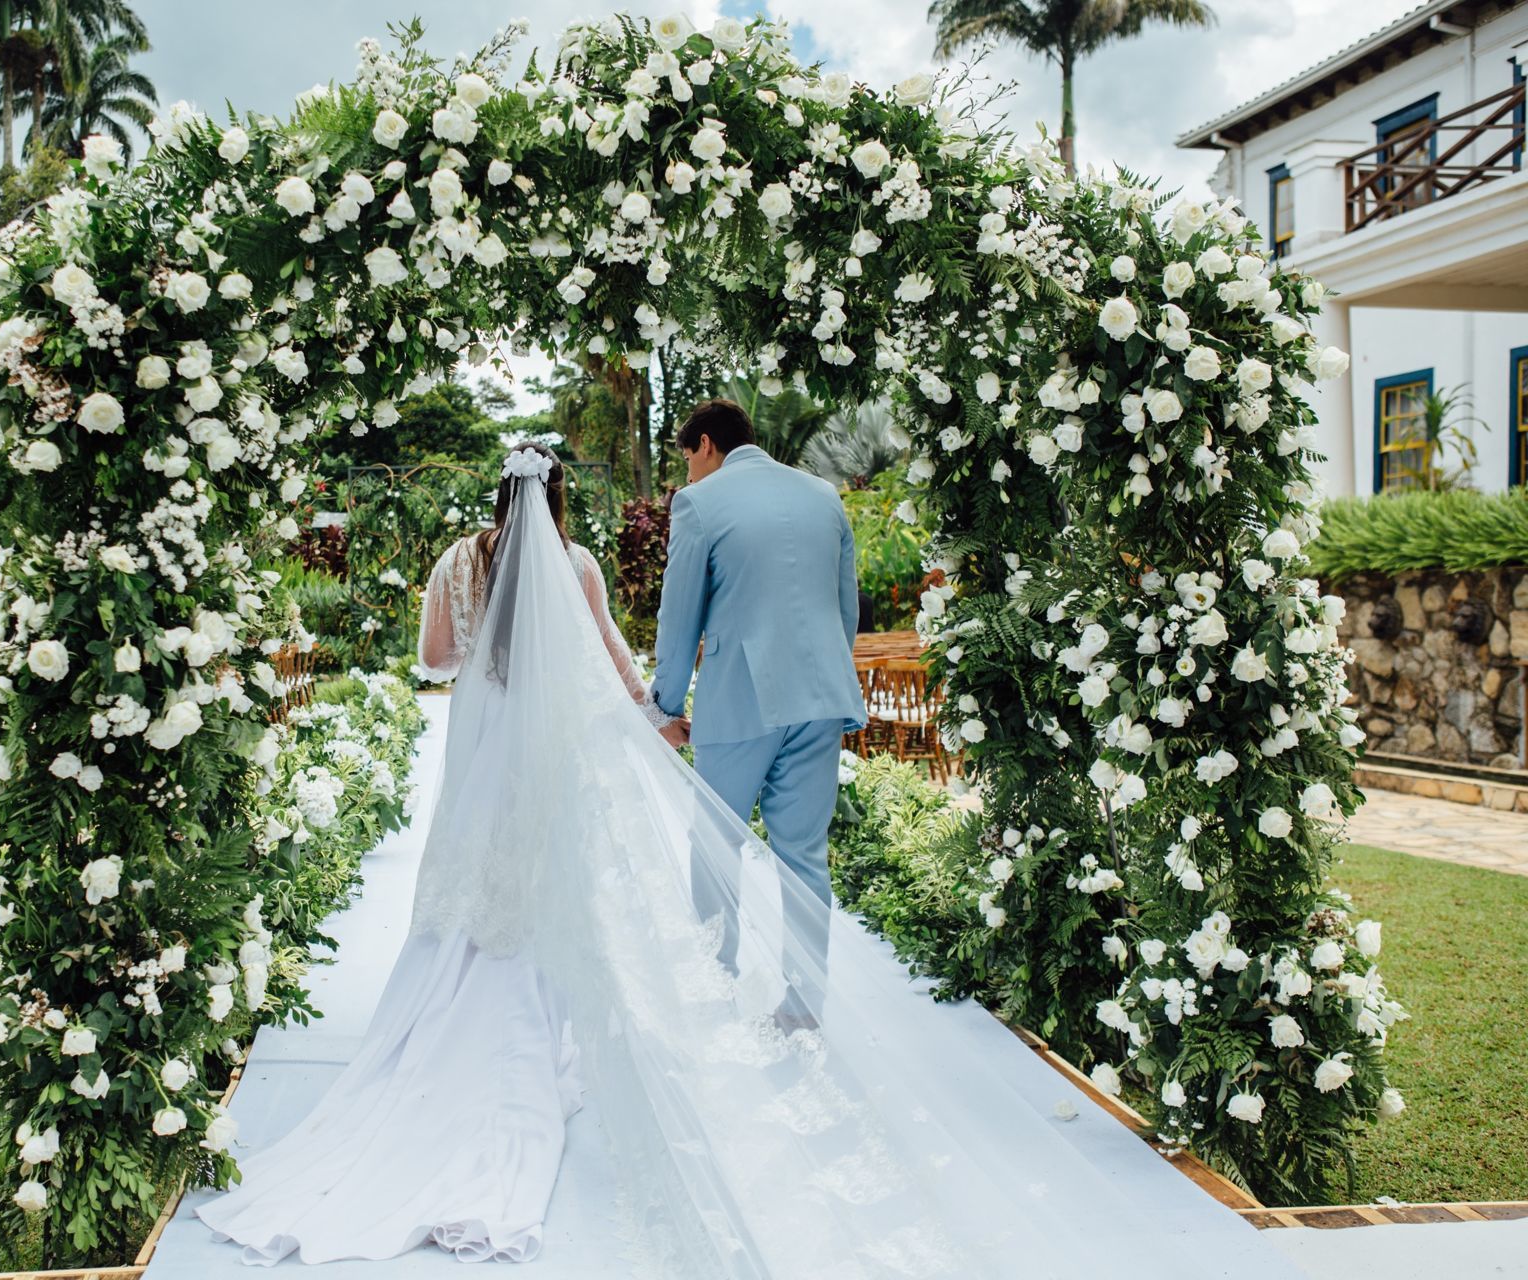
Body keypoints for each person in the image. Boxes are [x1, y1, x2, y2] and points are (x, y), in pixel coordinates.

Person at [196, 440, 1302, 1278]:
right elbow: (616, 668)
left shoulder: (457, 559)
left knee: (469, 891)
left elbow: (434, 657)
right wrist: (652, 710)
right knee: (554, 889)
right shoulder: (576, 560)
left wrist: (482, 653)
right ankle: (567, 1029)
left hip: (480, 749)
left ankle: (450, 1023)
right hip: (558, 757)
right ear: (556, 499)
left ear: (495, 497)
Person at [649, 399, 867, 1030]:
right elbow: (843, 607)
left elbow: (678, 616)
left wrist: (664, 705)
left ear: (707, 445)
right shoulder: (824, 496)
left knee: (717, 847)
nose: (686, 475)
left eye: (687, 459)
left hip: (740, 701)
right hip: (820, 698)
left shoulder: (699, 504)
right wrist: (822, 673)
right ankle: (803, 1009)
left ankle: (717, 988)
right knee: (804, 857)